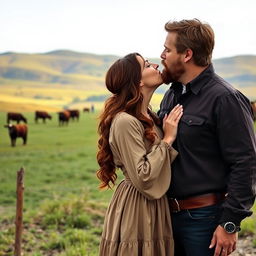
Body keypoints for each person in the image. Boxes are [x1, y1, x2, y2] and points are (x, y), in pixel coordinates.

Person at [158, 19, 256, 256]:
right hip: (165, 217)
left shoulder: (225, 98)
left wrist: (229, 223)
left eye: (168, 49)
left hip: (204, 220)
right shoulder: (171, 96)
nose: (162, 55)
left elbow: (246, 162)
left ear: (187, 54)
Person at [96, 52, 183, 255]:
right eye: (146, 65)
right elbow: (142, 175)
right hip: (137, 205)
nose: (155, 65)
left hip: (156, 203)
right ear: (137, 81)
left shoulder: (150, 116)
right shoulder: (125, 121)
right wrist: (168, 139)